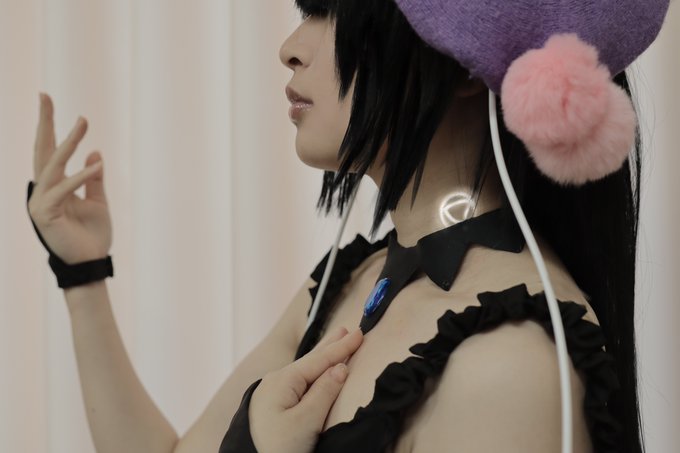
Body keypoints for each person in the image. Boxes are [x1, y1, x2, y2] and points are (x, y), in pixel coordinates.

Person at [26, 0, 670, 452]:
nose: (290, 47)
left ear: (467, 65)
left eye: (330, 10)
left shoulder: (507, 366)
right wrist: (83, 273)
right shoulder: (353, 278)